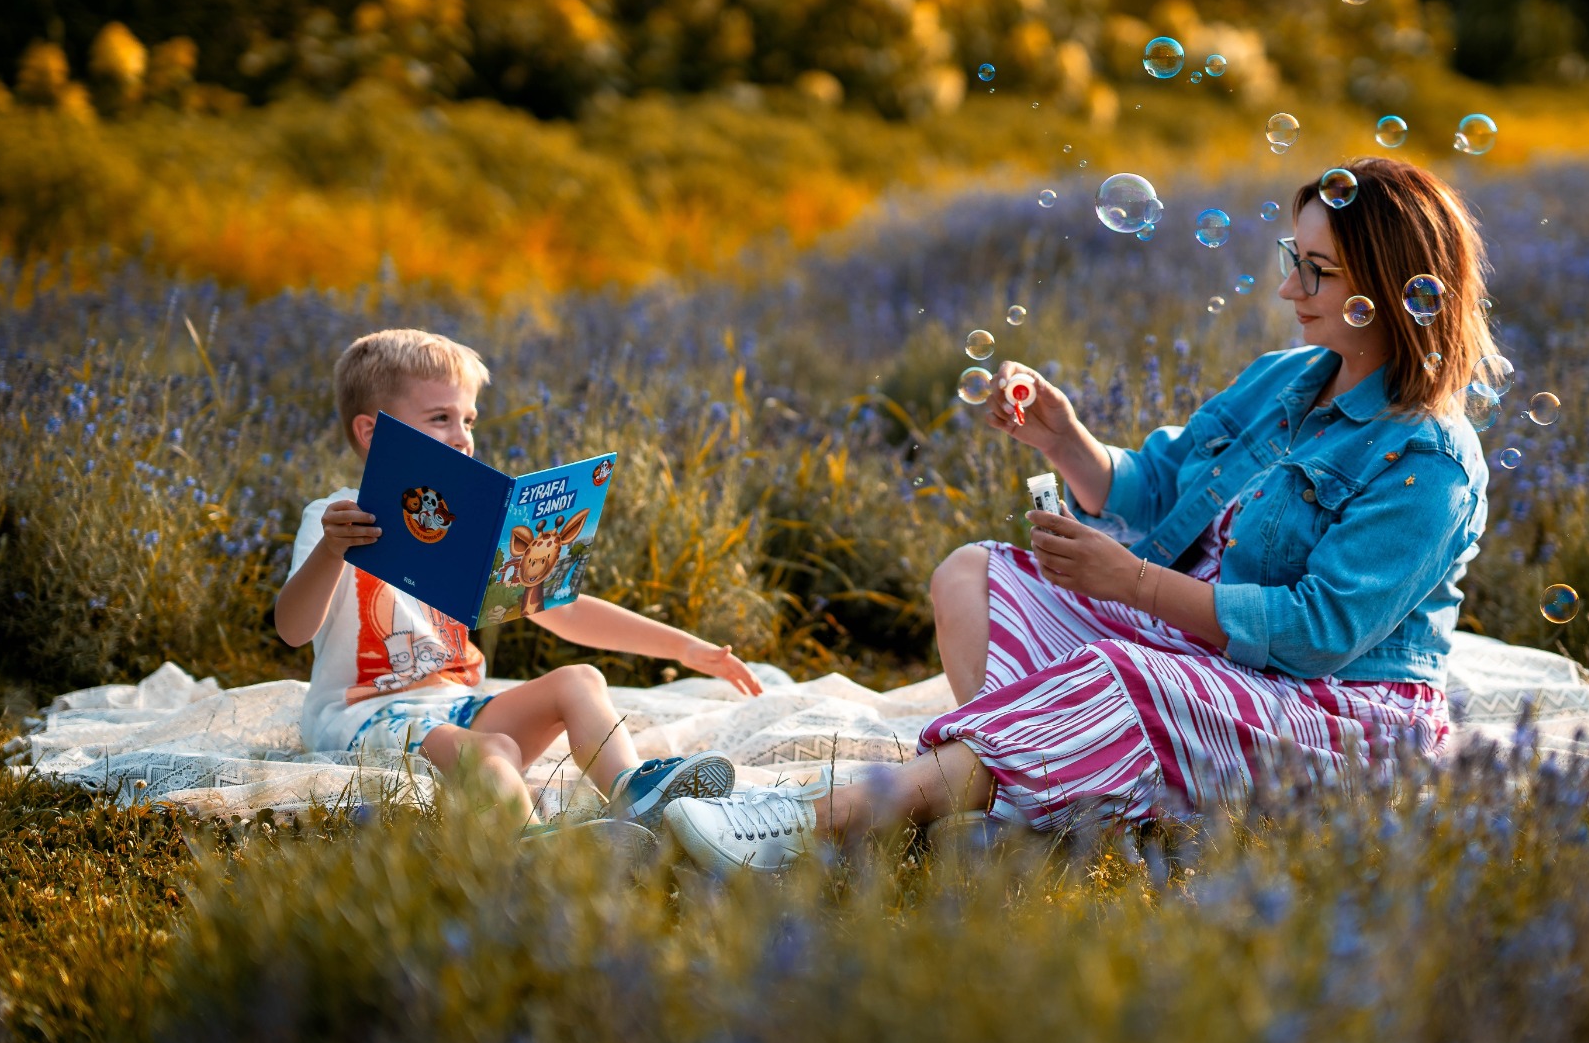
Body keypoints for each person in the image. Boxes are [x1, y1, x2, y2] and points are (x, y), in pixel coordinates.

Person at [665, 156, 1493, 873]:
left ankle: (808, 824)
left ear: (1387, 289)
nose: (1288, 286)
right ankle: (1029, 793)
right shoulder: (1289, 377)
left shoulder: (1428, 459)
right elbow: (1164, 484)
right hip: (1207, 655)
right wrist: (1067, 441)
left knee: (1117, 676)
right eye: (1293, 257)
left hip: (1331, 716)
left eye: (1319, 269)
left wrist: (1129, 583)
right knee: (973, 576)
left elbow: (1315, 630)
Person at [276, 328, 765, 828]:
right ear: (374, 433)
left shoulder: (468, 528)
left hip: (460, 707)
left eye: (468, 419)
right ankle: (529, 844)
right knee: (492, 750)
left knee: (579, 680)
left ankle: (631, 793)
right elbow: (294, 630)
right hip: (365, 715)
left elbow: (564, 608)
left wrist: (685, 649)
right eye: (440, 418)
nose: (463, 435)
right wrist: (332, 552)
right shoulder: (337, 520)